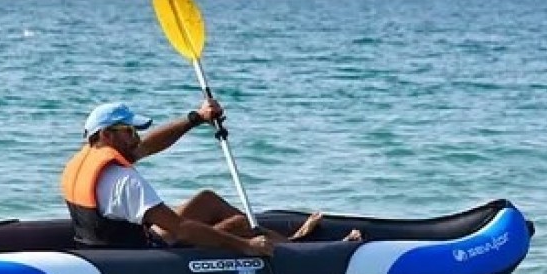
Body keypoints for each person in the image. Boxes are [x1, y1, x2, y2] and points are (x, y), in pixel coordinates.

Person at [60, 100, 360, 257]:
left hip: (111, 244)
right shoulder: (124, 180)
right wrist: (245, 246)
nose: (136, 137)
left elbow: (150, 145)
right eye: (129, 131)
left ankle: (287, 243)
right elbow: (180, 229)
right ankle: (294, 251)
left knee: (207, 200)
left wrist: (197, 118)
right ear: (107, 134)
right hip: (141, 255)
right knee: (239, 225)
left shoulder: (86, 160)